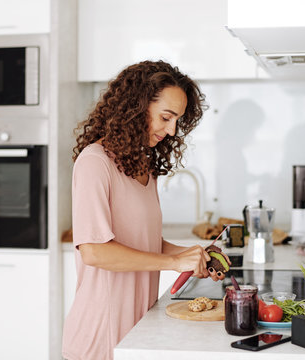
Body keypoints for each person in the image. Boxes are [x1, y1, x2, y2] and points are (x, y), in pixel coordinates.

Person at [62, 60, 230, 360]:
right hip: (102, 333)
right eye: (166, 117)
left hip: (138, 327)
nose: (172, 130)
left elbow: (143, 241)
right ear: (136, 108)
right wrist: (173, 263)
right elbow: (94, 251)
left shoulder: (144, 167)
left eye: (177, 120)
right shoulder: (95, 162)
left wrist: (192, 256)